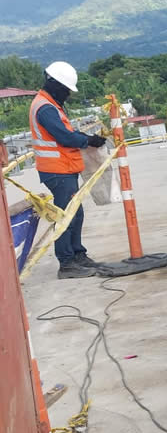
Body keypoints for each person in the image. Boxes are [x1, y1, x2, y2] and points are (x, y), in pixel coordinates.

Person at [29, 61, 107, 279]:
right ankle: (67, 262)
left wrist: (85, 139)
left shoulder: (51, 104)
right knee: (66, 217)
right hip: (57, 170)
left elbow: (66, 132)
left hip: (65, 168)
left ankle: (77, 255)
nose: (67, 94)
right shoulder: (44, 107)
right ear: (53, 83)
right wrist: (88, 140)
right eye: (65, 89)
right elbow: (63, 137)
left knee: (75, 214)